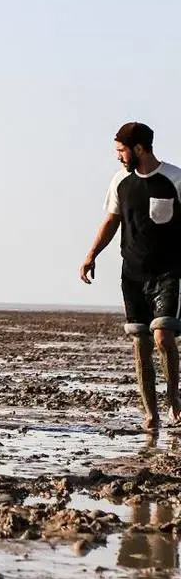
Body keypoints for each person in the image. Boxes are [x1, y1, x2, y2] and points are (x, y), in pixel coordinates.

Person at [80, 121, 181, 431]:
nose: (119, 157)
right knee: (140, 344)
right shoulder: (120, 182)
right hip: (132, 276)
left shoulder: (175, 178)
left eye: (121, 151)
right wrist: (91, 255)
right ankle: (150, 413)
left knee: (163, 337)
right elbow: (111, 221)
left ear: (139, 148)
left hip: (169, 273)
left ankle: (174, 403)